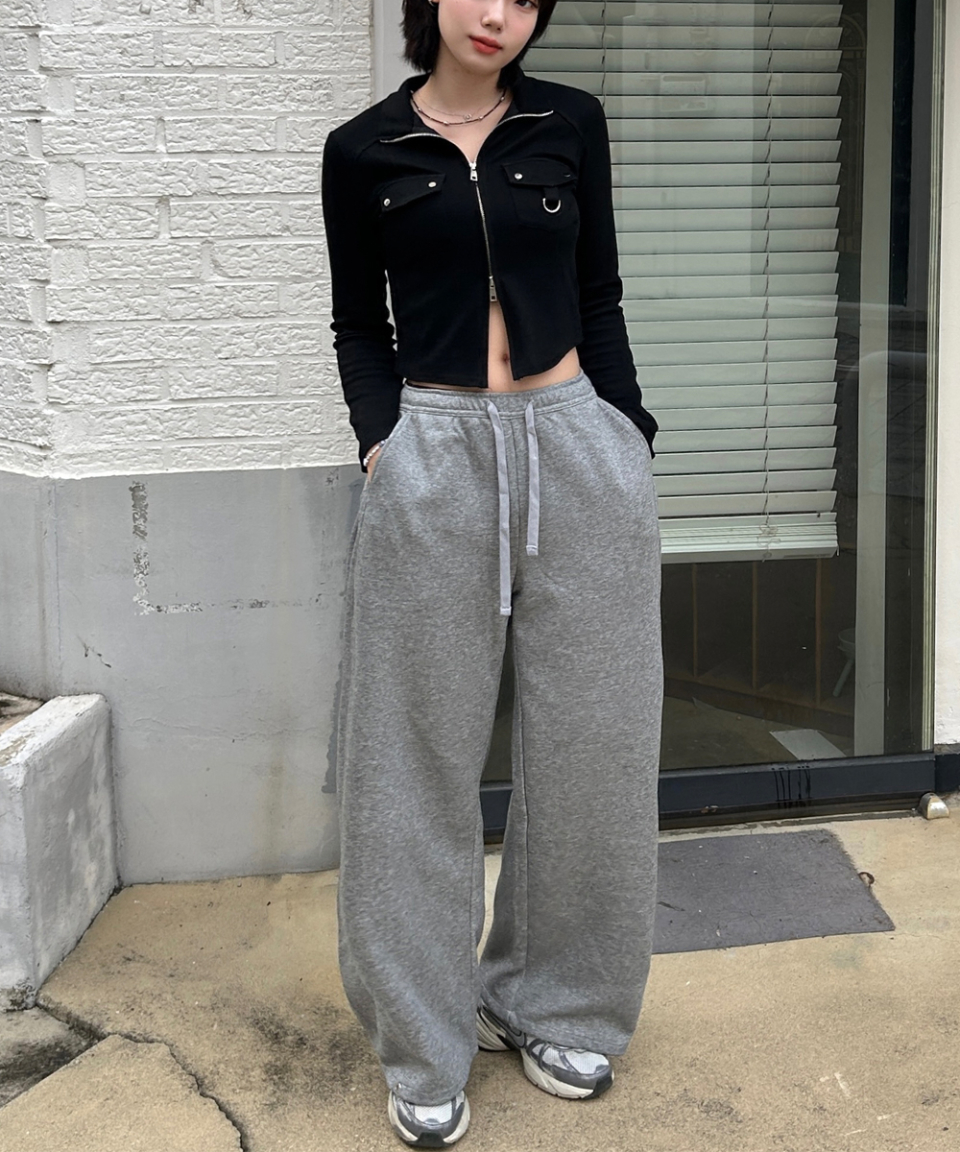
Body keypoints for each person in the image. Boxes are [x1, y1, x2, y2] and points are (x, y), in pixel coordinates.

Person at [321, 0, 663, 1145]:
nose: (498, 14)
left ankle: (555, 1002)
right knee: (410, 755)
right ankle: (422, 1035)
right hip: (434, 452)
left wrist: (626, 434)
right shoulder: (363, 150)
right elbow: (357, 325)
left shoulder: (570, 123)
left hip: (575, 442)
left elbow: (600, 292)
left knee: (594, 745)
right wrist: (385, 442)